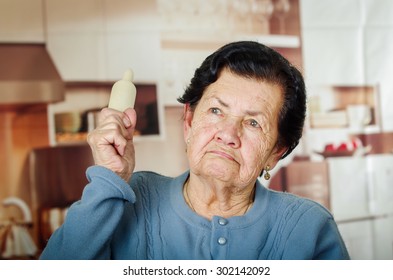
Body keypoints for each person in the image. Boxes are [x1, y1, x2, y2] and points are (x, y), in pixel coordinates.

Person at [40, 41, 350, 260]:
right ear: (189, 121)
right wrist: (110, 178)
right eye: (216, 111)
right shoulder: (127, 198)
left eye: (253, 123)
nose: (228, 134)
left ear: (276, 152)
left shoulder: (309, 228)